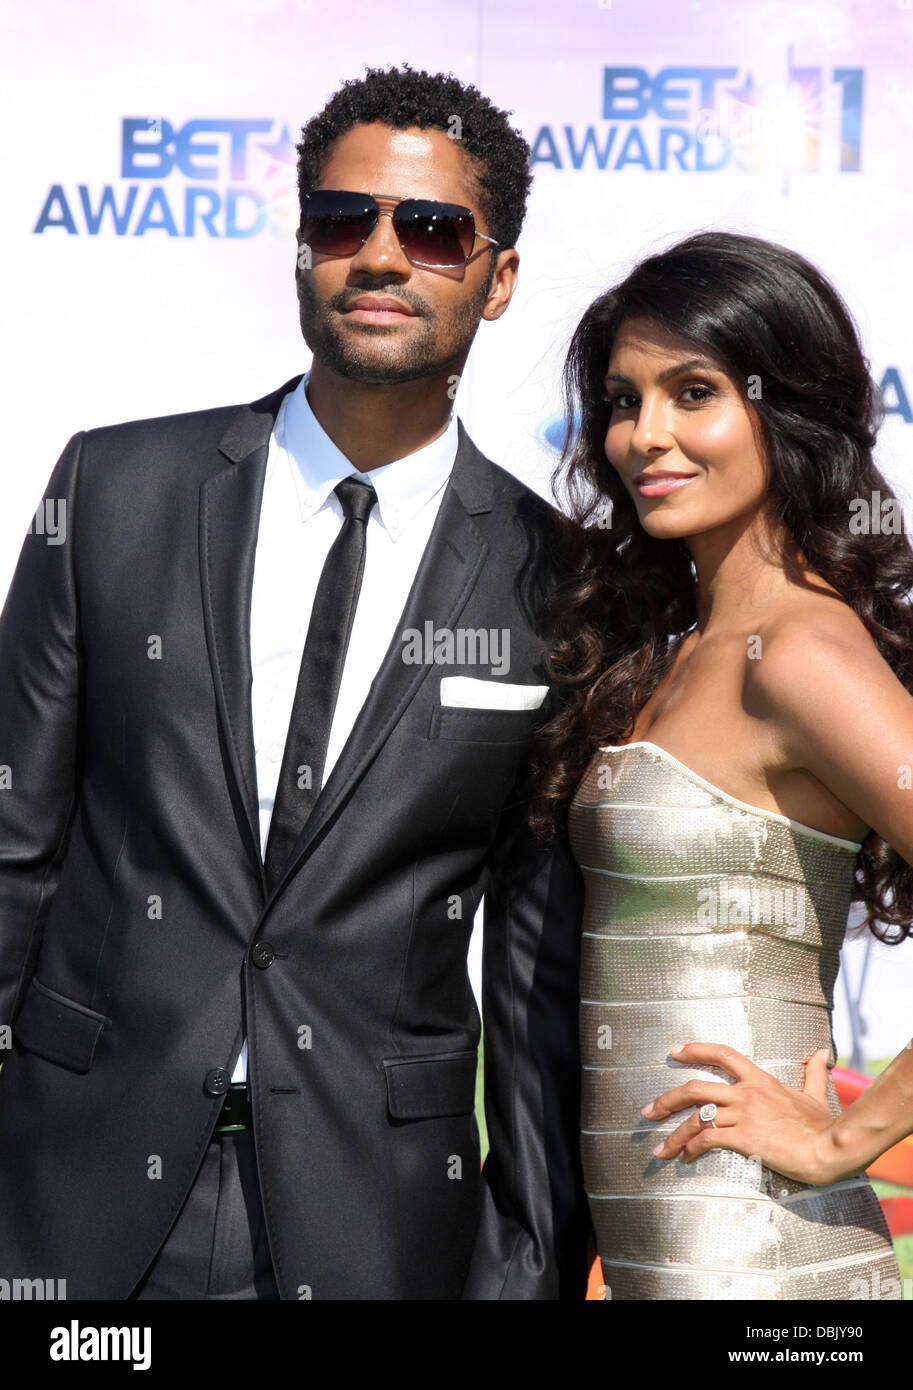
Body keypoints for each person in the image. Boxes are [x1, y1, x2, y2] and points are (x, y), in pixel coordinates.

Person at [0, 65, 591, 1301]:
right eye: (342, 219)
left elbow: (541, 971)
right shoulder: (114, 492)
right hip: (71, 1202)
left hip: (376, 1228)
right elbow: (12, 852)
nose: (381, 254)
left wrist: (528, 1262)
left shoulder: (558, 583)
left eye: (431, 229)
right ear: (301, 251)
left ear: (499, 275)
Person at [527, 230, 913, 1299]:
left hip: (768, 1267)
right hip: (667, 1262)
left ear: (783, 411)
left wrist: (849, 1138)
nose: (643, 435)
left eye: (692, 392)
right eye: (622, 399)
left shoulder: (798, 652)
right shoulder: (675, 649)